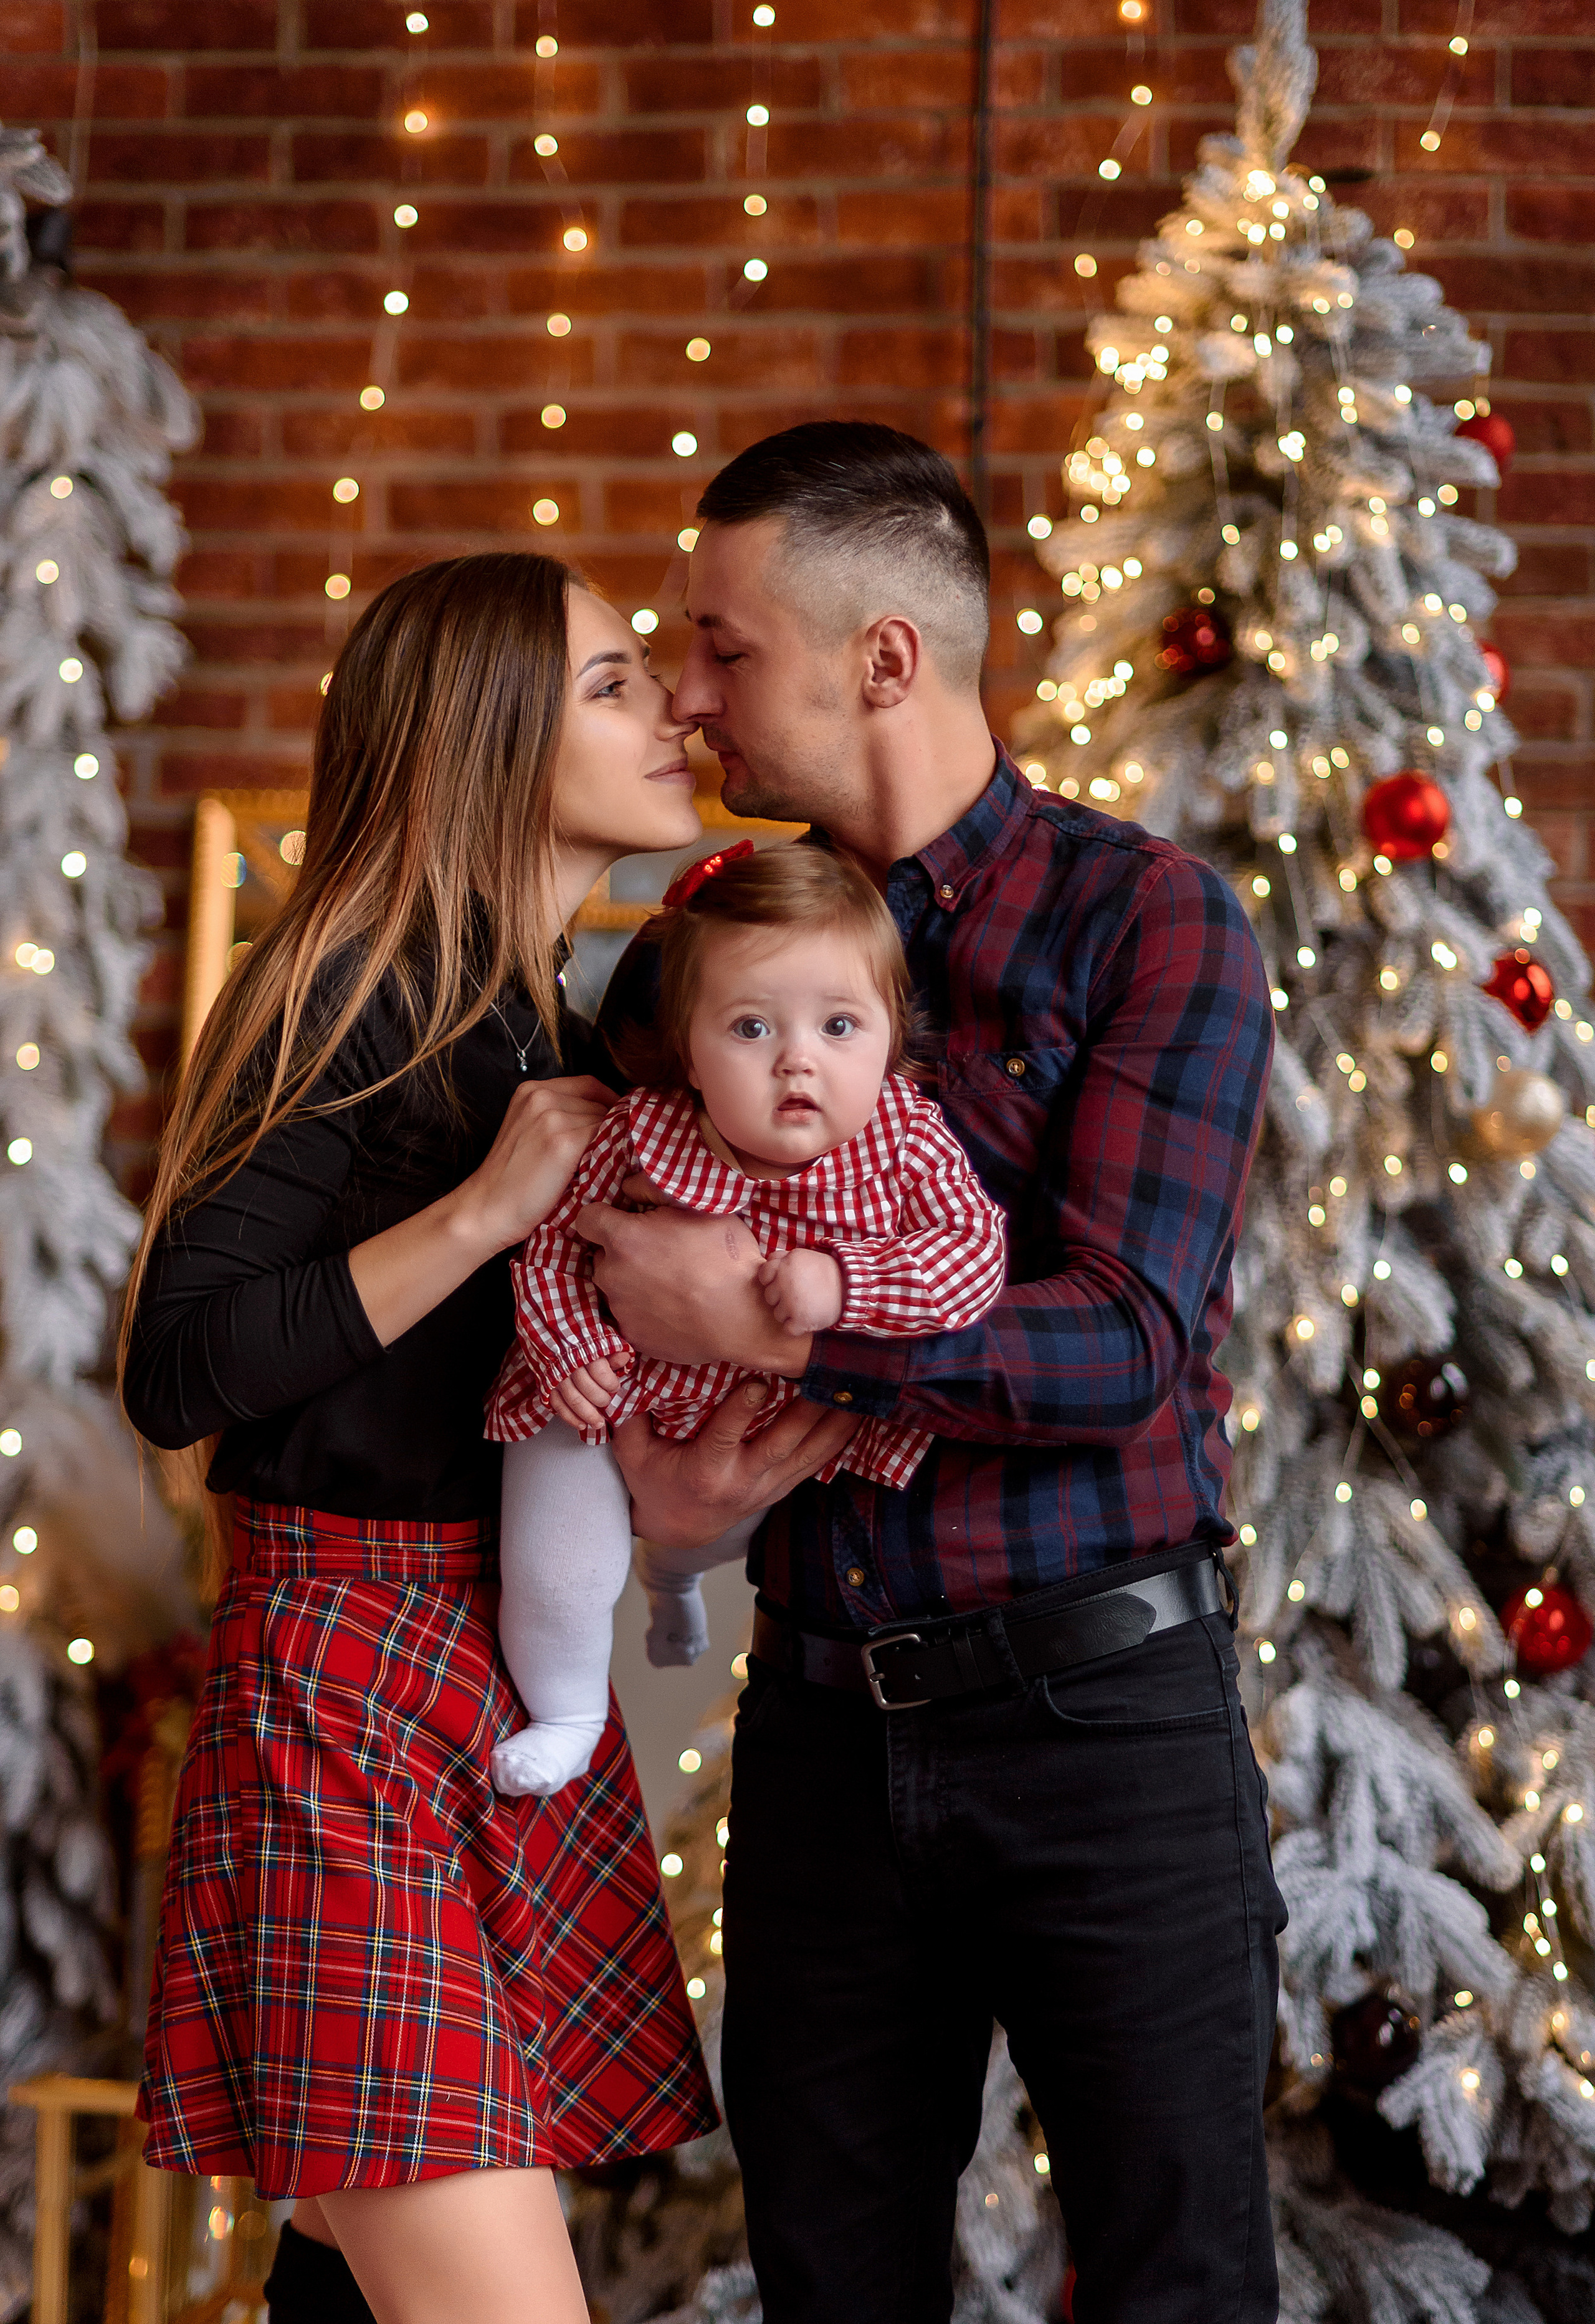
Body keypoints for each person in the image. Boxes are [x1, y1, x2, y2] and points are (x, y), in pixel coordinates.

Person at [584, 422, 1287, 2324]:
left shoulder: (1152, 923)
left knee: (1179, 2284)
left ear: (884, 658)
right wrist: (651, 1501)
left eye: (725, 647)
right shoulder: (708, 941)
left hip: (1104, 1726)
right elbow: (588, 1223)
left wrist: (779, 1311)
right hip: (818, 1731)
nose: (692, 692)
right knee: (830, 2288)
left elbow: (1122, 1341)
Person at [118, 553, 849, 2324]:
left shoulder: (542, 1012)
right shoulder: (348, 993)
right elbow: (178, 1368)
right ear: (490, 737)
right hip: (346, 1702)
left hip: (475, 1689)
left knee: (349, 2278)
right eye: (612, 683)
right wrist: (485, 1203)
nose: (675, 704)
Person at [483, 841, 1006, 1797]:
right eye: (753, 1027)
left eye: (840, 1024)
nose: (799, 1059)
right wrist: (575, 1354)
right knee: (555, 1555)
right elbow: (554, 1244)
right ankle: (567, 1710)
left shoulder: (906, 1139)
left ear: (893, 1035)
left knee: (707, 1542)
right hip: (611, 1401)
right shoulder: (645, 1129)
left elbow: (974, 1256)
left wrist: (846, 1287)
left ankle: (674, 1583)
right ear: (689, 1047)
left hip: (775, 1437)